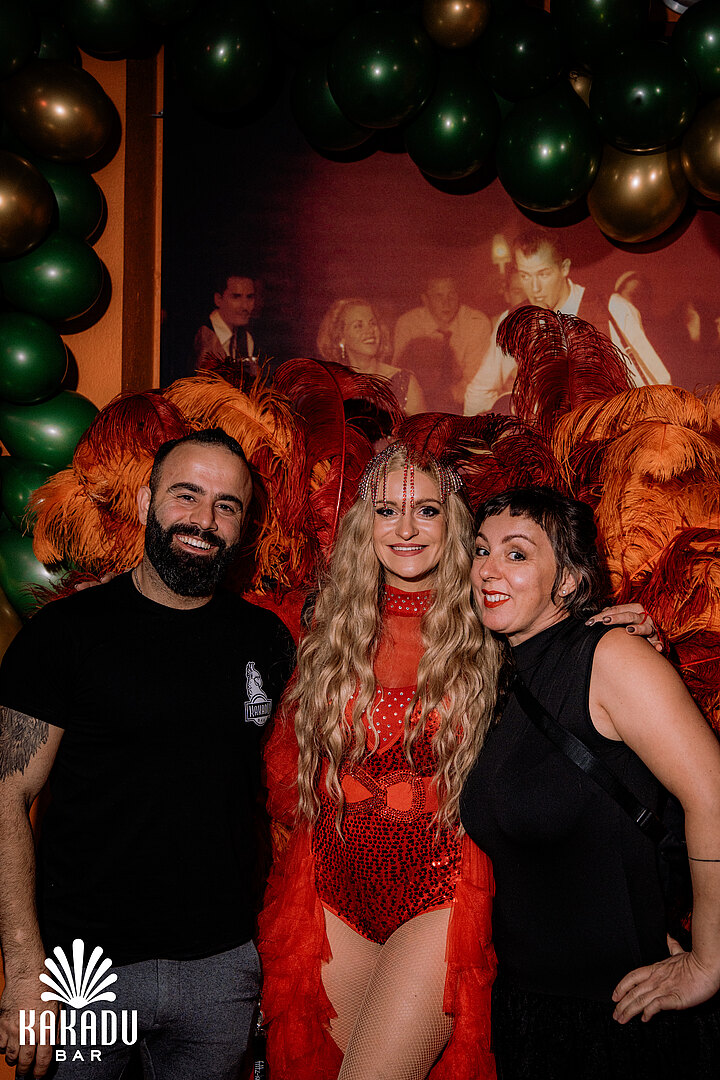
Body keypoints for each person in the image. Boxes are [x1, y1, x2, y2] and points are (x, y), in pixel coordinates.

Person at [0, 429, 296, 1080]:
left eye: (226, 505)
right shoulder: (64, 636)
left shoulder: (267, 641)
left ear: (244, 526)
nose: (204, 520)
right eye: (186, 495)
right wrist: (23, 968)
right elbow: (6, 796)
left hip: (221, 971)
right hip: (83, 973)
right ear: (144, 503)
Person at [257, 444, 502, 1080]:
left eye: (427, 510)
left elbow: (572, 654)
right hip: (331, 891)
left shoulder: (493, 621)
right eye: (388, 510)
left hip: (440, 892)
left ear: (454, 522)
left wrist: (617, 629)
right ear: (364, 521)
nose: (406, 529)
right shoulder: (320, 619)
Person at [461, 486, 720, 1079]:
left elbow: (713, 793)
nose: (488, 569)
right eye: (481, 550)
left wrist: (710, 960)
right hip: (528, 1015)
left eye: (517, 553)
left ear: (570, 580)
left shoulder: (609, 656)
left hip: (621, 1021)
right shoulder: (501, 679)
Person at [464, 231, 672, 415]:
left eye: (543, 274)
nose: (535, 288)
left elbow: (657, 389)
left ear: (564, 268)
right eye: (525, 276)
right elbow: (478, 392)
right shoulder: (514, 320)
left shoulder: (612, 310)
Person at [393, 278, 492, 413]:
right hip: (417, 403)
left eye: (452, 294)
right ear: (425, 300)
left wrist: (445, 400)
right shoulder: (408, 324)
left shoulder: (476, 323)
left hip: (462, 404)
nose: (446, 303)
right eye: (438, 296)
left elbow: (476, 380)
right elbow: (400, 375)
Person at [317, 298, 426, 415]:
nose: (369, 331)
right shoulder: (331, 387)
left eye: (372, 323)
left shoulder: (404, 383)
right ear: (341, 337)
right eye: (358, 326)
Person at [193, 271, 260, 383]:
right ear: (218, 299)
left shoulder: (246, 338)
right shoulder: (198, 334)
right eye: (236, 297)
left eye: (249, 297)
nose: (245, 306)